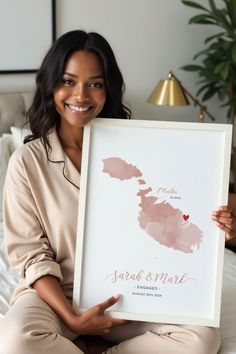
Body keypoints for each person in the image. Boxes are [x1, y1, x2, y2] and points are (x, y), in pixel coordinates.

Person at [0, 30, 234, 354]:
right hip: (56, 299)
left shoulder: (141, 154)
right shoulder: (26, 163)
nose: (80, 95)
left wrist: (214, 224)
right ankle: (79, 338)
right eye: (68, 81)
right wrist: (73, 319)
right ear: (51, 85)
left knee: (202, 338)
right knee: (14, 340)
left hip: (129, 294)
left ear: (107, 89)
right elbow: (31, 257)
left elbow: (167, 218)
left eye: (94, 83)